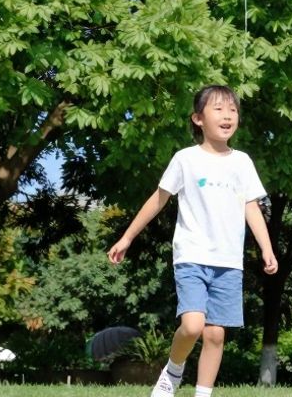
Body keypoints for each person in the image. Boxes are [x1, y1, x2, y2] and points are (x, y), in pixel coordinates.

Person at [108, 85, 278, 397]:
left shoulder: (241, 161)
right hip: (191, 256)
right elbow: (158, 200)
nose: (227, 116)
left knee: (215, 335)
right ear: (198, 119)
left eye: (233, 110)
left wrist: (266, 248)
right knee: (193, 326)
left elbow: (250, 206)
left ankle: (203, 393)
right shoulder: (185, 159)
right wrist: (127, 237)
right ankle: (172, 372)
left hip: (228, 262)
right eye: (218, 109)